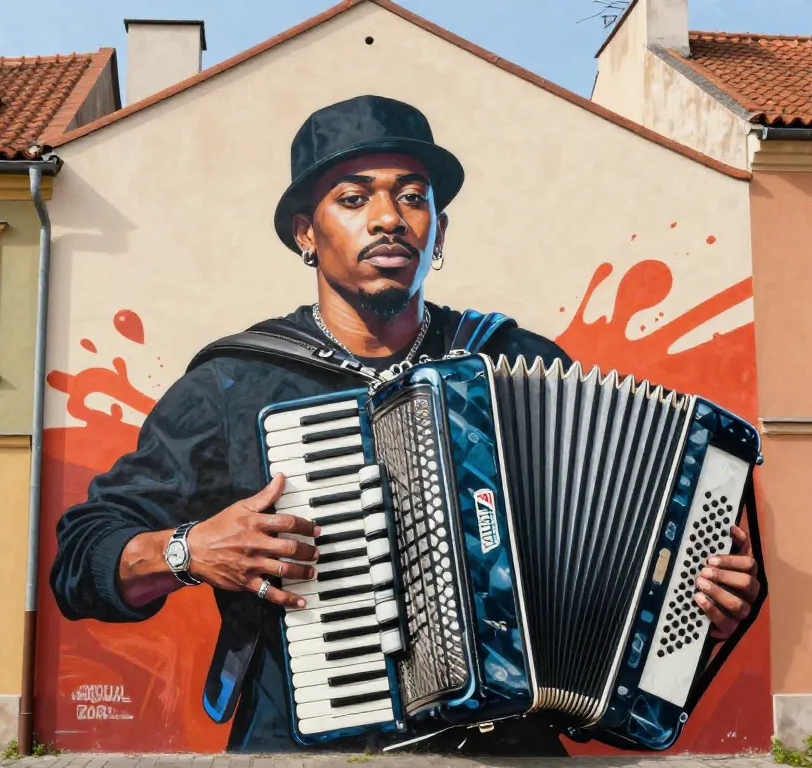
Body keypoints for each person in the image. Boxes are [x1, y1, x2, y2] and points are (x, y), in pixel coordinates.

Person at [49, 95, 762, 755]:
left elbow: (625, 565)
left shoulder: (515, 361)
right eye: (354, 198)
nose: (389, 217)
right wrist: (185, 551)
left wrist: (696, 604)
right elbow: (81, 560)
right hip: (310, 753)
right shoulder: (231, 387)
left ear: (437, 231)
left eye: (413, 197)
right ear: (306, 233)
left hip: (509, 753)